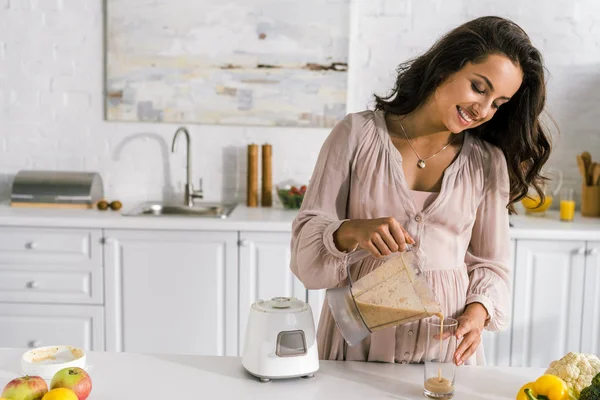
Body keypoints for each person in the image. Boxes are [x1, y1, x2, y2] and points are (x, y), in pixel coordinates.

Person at [289, 16, 552, 366]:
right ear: (446, 68)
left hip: (443, 351)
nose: (483, 110)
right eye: (478, 87)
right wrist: (350, 231)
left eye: (498, 103)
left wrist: (478, 312)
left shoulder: (487, 163)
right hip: (357, 346)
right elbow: (306, 247)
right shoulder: (356, 135)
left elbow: (492, 265)